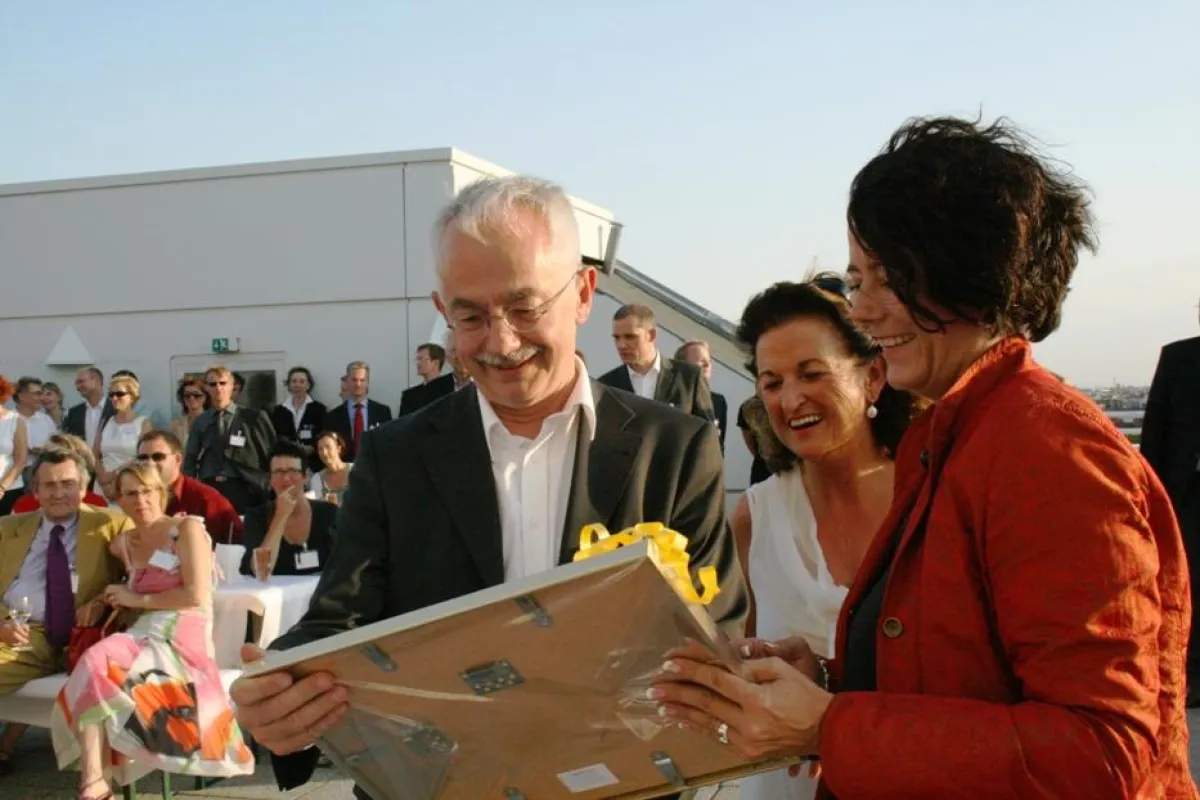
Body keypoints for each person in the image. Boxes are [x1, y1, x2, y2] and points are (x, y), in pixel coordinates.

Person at [651, 116, 1197, 797]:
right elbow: (966, 675)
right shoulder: (959, 434)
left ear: (967, 267)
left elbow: (1103, 750)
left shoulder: (1051, 450)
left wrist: (831, 727)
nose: (866, 310)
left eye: (887, 278)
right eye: (857, 280)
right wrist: (832, 675)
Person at [229, 175, 745, 794]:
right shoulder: (394, 456)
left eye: (525, 308)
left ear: (583, 293)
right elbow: (343, 620)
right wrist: (281, 693)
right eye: (470, 315)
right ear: (443, 311)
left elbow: (717, 630)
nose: (501, 343)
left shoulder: (676, 448)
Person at [727, 277, 922, 800]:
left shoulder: (928, 497)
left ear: (873, 377)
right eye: (771, 383)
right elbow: (739, 655)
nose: (791, 399)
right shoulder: (755, 517)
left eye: (812, 373)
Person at [49, 461, 254, 798]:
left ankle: (96, 782)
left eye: (146, 490)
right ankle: (93, 782)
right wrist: (102, 599)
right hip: (140, 634)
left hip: (183, 637)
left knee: (102, 672)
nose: (140, 498)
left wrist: (135, 597)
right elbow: (123, 586)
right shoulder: (123, 544)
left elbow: (195, 595)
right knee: (92, 661)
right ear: (120, 500)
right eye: (130, 493)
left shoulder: (185, 530)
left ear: (160, 492)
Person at [0, 448, 129, 776]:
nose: (59, 492)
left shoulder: (110, 523)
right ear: (36, 492)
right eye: (49, 485)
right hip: (19, 630)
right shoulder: (8, 528)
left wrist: (100, 600)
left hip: (81, 636)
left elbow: (139, 574)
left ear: (84, 488)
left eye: (68, 483)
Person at [239, 440, 337, 578]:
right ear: (270, 479)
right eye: (278, 472)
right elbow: (259, 570)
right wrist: (281, 515)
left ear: (304, 477)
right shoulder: (256, 517)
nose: (286, 479)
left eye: (292, 471)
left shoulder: (329, 513)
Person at [135, 431, 244, 546]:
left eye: (158, 457)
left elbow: (236, 541)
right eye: (143, 458)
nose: (150, 463)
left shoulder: (206, 499)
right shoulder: (131, 496)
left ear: (177, 459)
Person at [11, 433, 108, 512]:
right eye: (50, 484)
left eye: (67, 483)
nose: (58, 494)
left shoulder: (97, 505)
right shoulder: (24, 505)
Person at [271, 367, 327, 471]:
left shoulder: (319, 409)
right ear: (289, 385)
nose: (297, 385)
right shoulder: (279, 411)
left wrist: (313, 447)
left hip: (313, 464)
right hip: (287, 463)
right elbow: (276, 436)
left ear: (308, 385)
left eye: (302, 381)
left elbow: (323, 434)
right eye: (294, 381)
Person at [306, 431, 350, 505]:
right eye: (320, 449)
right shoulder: (316, 480)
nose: (324, 453)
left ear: (338, 448)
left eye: (328, 447)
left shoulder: (356, 470)